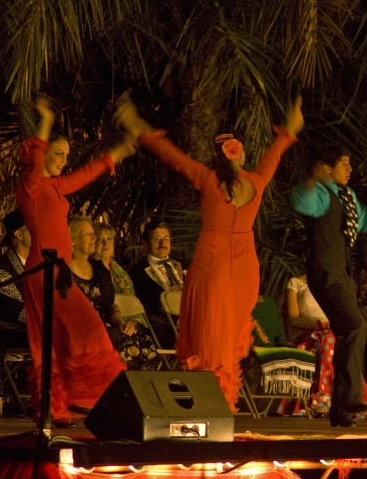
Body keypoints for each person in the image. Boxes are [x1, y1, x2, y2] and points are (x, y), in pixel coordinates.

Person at [116, 94, 305, 412]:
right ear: (239, 155)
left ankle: (209, 404)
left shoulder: (207, 179)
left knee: (209, 341)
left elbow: (172, 156)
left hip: (214, 266)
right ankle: (220, 402)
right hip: (245, 270)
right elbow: (273, 155)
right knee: (226, 342)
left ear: (217, 157)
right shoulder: (256, 182)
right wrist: (288, 130)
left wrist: (139, 128)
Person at [16, 97, 134, 426]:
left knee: (60, 343)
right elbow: (36, 154)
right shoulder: (32, 186)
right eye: (59, 154)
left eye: (66, 155)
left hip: (60, 273)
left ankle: (60, 406)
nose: (64, 161)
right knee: (89, 329)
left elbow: (85, 174)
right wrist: (45, 121)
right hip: (44, 271)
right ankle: (85, 398)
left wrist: (118, 153)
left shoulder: (55, 187)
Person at [290, 143, 367, 427]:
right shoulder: (321, 193)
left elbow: (364, 220)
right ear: (327, 168)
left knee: (348, 331)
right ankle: (348, 397)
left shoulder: (346, 195)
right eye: (344, 163)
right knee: (355, 326)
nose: (350, 168)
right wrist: (312, 180)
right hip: (325, 272)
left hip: (341, 274)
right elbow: (300, 201)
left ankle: (340, 410)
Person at [278, 275, 367, 418]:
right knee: (328, 339)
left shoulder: (333, 284)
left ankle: (329, 400)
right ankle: (328, 400)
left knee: (337, 340)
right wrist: (319, 324)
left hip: (332, 333)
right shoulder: (296, 283)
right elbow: (293, 319)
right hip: (309, 334)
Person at [70, 218, 159, 370]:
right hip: (82, 331)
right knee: (126, 346)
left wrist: (121, 323)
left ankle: (140, 390)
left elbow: (110, 306)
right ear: (72, 240)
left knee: (145, 343)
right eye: (89, 234)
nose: (94, 239)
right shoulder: (63, 270)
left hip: (108, 325)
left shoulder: (100, 270)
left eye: (94, 234)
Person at [128, 219, 184, 348]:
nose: (162, 243)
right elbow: (146, 308)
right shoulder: (138, 272)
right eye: (157, 238)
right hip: (163, 329)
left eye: (166, 238)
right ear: (145, 243)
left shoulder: (179, 267)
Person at [0, 209, 30, 326]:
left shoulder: (40, 264)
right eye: (33, 228)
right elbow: (20, 312)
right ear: (19, 234)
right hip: (14, 339)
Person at [92, 222, 135, 295]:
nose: (105, 243)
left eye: (109, 239)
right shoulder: (89, 269)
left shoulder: (118, 270)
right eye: (100, 239)